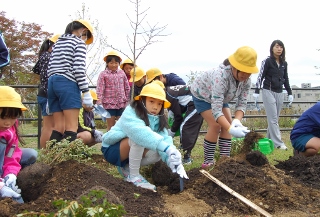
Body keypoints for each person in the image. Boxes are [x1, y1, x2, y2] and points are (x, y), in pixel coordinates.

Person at [101, 82, 188, 191]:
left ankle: (127, 168)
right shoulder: (130, 112)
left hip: (129, 149)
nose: (156, 107)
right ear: (142, 100)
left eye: (160, 104)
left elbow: (165, 139)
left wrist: (171, 159)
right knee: (139, 139)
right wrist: (167, 148)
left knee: (158, 153)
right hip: (112, 149)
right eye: (151, 101)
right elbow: (140, 133)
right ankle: (134, 177)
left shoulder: (158, 118)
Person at [190, 46, 257, 169]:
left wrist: (236, 121)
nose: (245, 74)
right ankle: (208, 162)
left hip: (221, 97)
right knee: (216, 125)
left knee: (228, 123)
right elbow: (216, 110)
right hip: (203, 95)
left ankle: (224, 160)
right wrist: (232, 129)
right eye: (242, 70)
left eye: (249, 71)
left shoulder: (246, 81)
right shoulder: (221, 77)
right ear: (234, 66)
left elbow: (242, 103)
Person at [46, 19, 94, 144]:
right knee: (71, 127)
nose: (84, 40)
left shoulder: (58, 43)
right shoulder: (78, 43)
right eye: (85, 36)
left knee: (58, 127)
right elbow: (78, 69)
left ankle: (51, 159)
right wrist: (86, 92)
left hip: (52, 82)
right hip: (67, 83)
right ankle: (67, 161)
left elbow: (50, 68)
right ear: (83, 31)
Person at [0, 86, 38, 203]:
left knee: (31, 154)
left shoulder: (10, 129)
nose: (8, 122)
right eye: (3, 117)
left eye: (12, 118)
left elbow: (11, 154)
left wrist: (11, 174)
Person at [253, 40, 293, 150]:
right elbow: (260, 76)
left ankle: (268, 141)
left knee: (274, 119)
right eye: (277, 47)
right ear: (272, 48)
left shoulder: (284, 63)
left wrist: (289, 93)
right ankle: (279, 143)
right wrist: (256, 91)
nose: (279, 49)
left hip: (279, 92)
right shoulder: (267, 61)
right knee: (273, 119)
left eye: (281, 47)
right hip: (268, 91)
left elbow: (286, 79)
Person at [32, 34, 60, 149]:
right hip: (48, 94)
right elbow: (46, 78)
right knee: (50, 126)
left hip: (44, 93)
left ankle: (46, 153)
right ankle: (46, 153)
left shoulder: (43, 56)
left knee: (49, 125)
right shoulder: (48, 57)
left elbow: (37, 70)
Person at [166, 85, 203, 165]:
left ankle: (186, 157)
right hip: (194, 101)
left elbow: (178, 116)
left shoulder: (169, 96)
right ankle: (183, 148)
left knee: (186, 127)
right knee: (184, 126)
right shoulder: (169, 92)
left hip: (198, 102)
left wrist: (172, 132)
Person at [96, 50, 130, 131]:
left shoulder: (122, 73)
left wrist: (128, 99)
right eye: (111, 63)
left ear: (119, 63)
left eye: (116, 63)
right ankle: (108, 142)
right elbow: (100, 88)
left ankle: (120, 142)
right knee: (111, 126)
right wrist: (99, 100)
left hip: (121, 102)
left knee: (121, 125)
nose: (114, 65)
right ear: (107, 63)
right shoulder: (103, 74)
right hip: (109, 103)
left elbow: (126, 87)